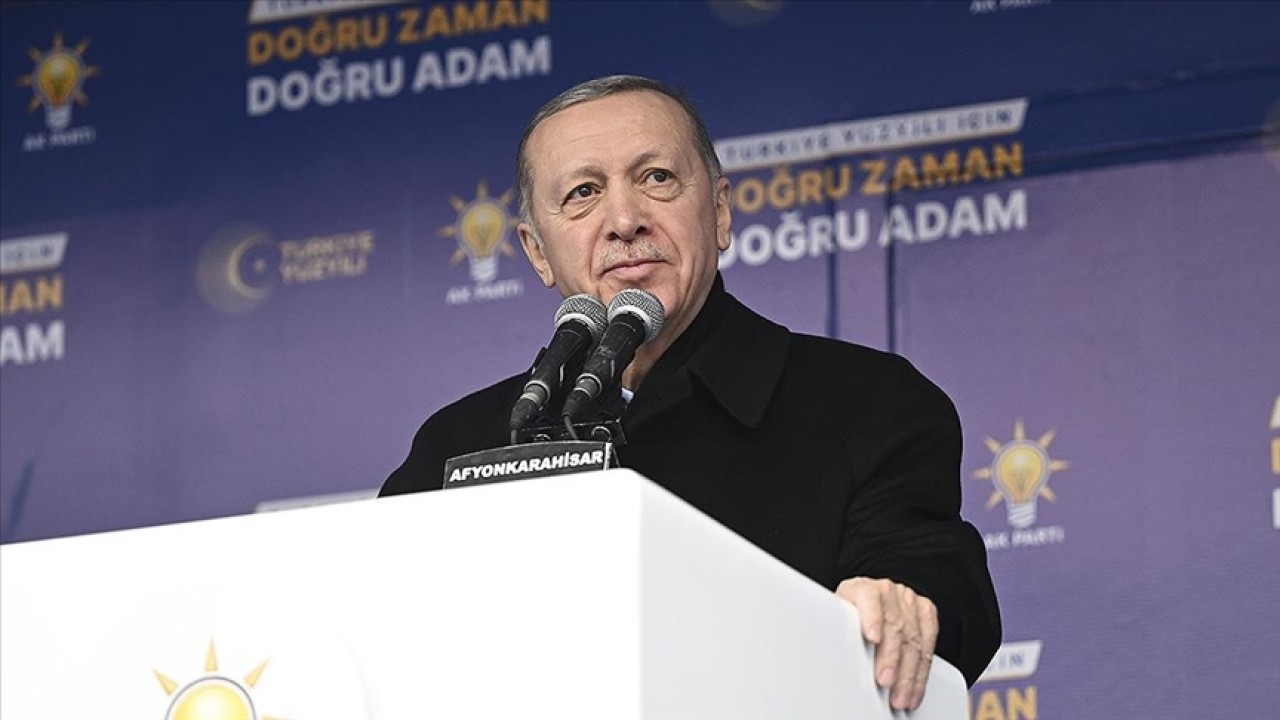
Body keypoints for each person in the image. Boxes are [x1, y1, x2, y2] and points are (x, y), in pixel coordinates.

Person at [382, 75, 1000, 710]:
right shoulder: (457, 443)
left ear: (720, 211)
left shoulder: (869, 402)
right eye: (583, 193)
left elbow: (932, 582)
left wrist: (900, 601)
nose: (625, 221)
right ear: (538, 252)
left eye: (656, 178)